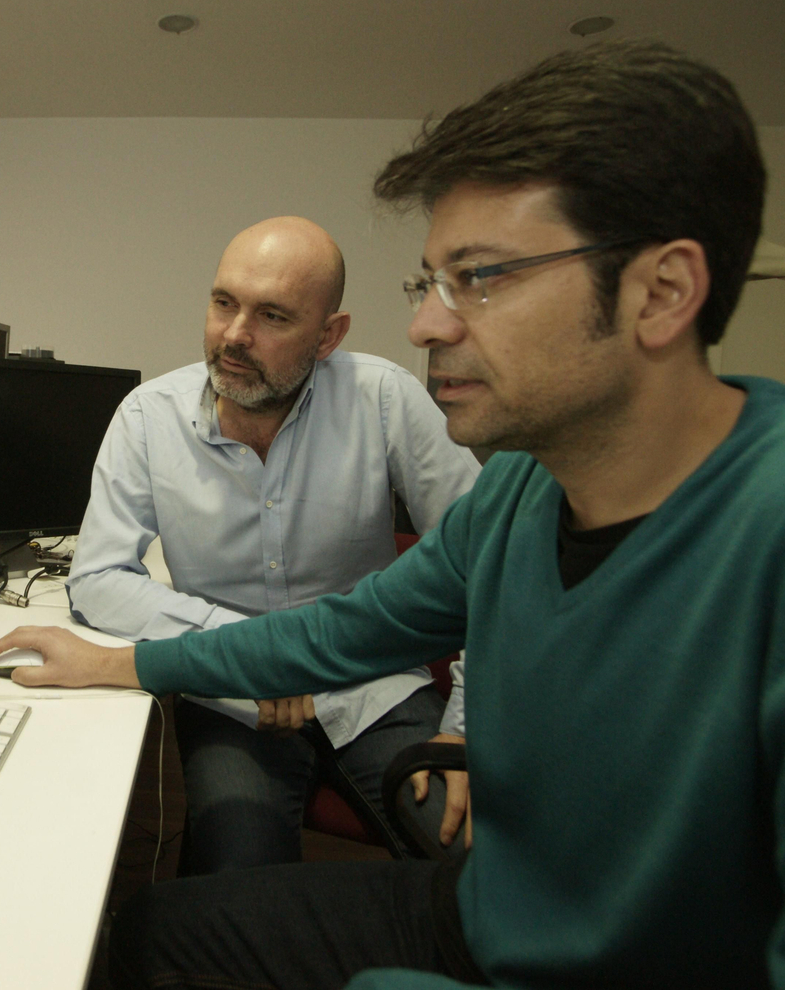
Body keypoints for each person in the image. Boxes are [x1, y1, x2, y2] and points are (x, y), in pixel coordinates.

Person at [0, 40, 785, 989]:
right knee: (145, 935)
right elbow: (338, 632)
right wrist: (120, 662)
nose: (428, 327)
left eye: (481, 279)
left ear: (662, 292)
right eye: (428, 283)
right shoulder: (525, 492)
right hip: (497, 912)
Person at [66, 215, 480, 872]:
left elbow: (489, 567)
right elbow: (96, 577)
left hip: (374, 685)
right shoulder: (148, 417)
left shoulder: (384, 399)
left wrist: (467, 726)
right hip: (234, 699)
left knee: (475, 862)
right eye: (223, 302)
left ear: (328, 335)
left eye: (273, 317)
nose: (234, 335)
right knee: (233, 881)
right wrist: (250, 655)